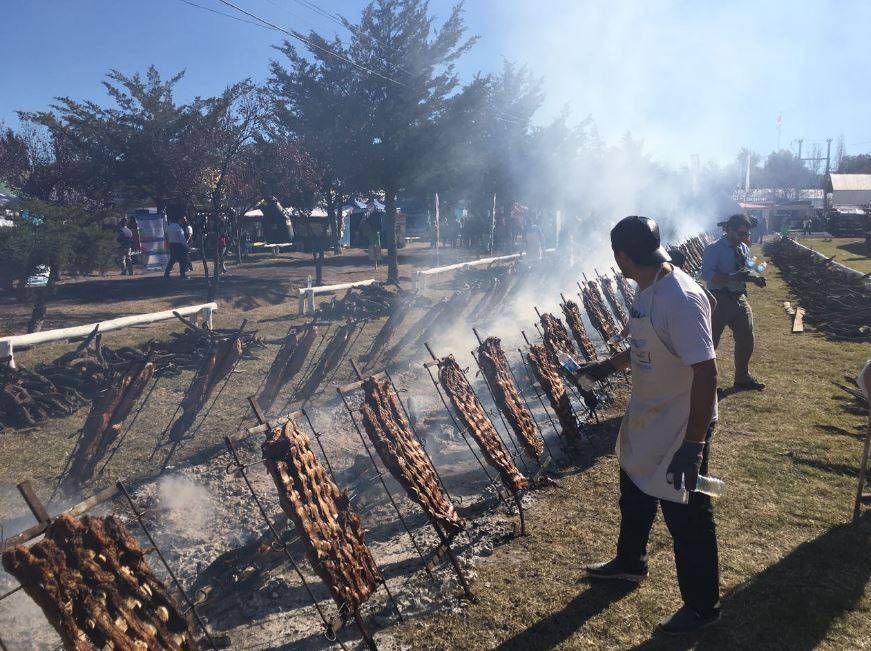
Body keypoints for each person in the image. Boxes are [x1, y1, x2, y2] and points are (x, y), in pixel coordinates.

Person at [575, 216, 721, 635]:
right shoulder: (648, 288)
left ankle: (702, 608)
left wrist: (692, 446)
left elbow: (707, 374)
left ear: (622, 256)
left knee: (688, 516)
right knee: (634, 489)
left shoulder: (681, 298)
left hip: (681, 423)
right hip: (649, 412)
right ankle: (630, 562)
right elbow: (644, 342)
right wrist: (608, 366)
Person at [701, 213, 766, 391]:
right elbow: (706, 274)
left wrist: (755, 279)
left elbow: (744, 270)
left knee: (746, 338)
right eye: (740, 234)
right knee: (710, 343)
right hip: (718, 300)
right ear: (728, 230)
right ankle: (705, 383)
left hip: (739, 298)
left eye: (746, 234)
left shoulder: (743, 248)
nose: (744, 238)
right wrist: (732, 278)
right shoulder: (714, 248)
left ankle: (742, 378)